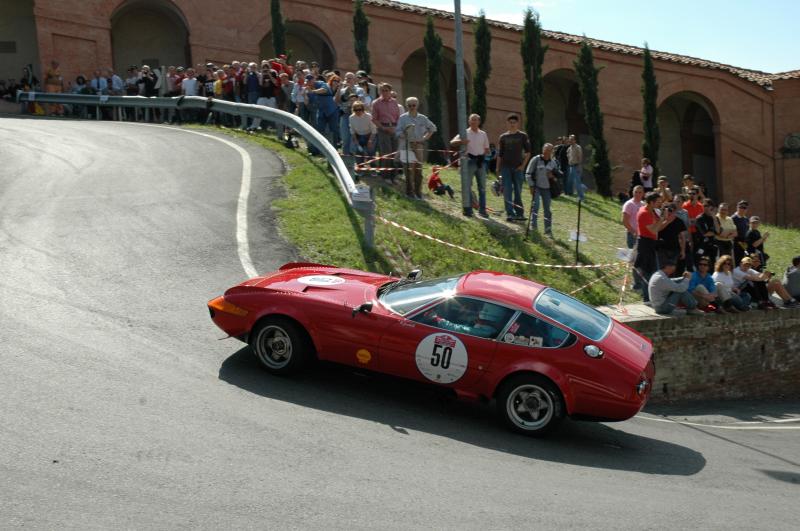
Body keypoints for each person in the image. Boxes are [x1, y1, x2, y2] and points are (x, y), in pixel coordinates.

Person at [634, 191, 674, 301]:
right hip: (645, 243)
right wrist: (662, 219)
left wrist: (667, 221)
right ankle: (647, 299)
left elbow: (658, 229)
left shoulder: (652, 212)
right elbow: (654, 229)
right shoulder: (644, 213)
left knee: (653, 271)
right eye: (658, 202)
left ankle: (651, 298)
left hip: (651, 243)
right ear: (651, 202)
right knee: (647, 272)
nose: (660, 204)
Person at [397, 97, 437, 200]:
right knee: (409, 171)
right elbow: (398, 132)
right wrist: (405, 136)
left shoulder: (423, 118)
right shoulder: (402, 118)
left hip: (419, 145)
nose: (411, 107)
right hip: (407, 146)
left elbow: (432, 128)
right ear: (406, 106)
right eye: (409, 105)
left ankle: (418, 193)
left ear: (417, 105)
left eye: (413, 105)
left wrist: (424, 139)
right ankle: (410, 193)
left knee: (418, 171)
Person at [451, 113, 490, 216]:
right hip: (469, 161)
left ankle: (482, 210)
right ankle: (468, 209)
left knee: (482, 188)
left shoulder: (483, 134)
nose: (474, 121)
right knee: (467, 186)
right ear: (469, 121)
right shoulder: (465, 133)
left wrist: (486, 154)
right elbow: (452, 142)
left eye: (476, 120)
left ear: (479, 122)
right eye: (472, 120)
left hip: (481, 162)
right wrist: (462, 141)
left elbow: (487, 149)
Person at [496, 113, 531, 222]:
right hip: (505, 167)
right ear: (507, 123)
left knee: (518, 191)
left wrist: (522, 166)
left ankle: (519, 213)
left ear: (517, 123)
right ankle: (510, 214)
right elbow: (500, 154)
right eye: (510, 122)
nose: (512, 124)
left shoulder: (522, 136)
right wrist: (497, 168)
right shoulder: (503, 137)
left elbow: (528, 152)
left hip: (518, 168)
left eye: (514, 122)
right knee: (507, 190)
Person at [525, 143, 561, 237]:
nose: (547, 153)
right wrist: (531, 186)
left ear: (551, 152)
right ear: (542, 150)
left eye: (549, 151)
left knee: (547, 210)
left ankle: (548, 230)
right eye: (545, 151)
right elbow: (528, 174)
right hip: (536, 186)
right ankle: (533, 226)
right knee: (535, 206)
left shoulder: (553, 163)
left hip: (547, 189)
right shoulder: (535, 159)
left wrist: (552, 176)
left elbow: (557, 177)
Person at [371, 83, 401, 182]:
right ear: (379, 91)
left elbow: (398, 117)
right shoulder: (376, 103)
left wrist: (395, 128)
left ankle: (394, 176)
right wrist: (384, 128)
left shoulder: (394, 102)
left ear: (390, 91)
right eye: (382, 90)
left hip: (394, 128)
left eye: (386, 90)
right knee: (386, 152)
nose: (384, 92)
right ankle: (386, 176)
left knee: (395, 153)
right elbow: (374, 119)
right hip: (383, 129)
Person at [658, 202, 688, 275]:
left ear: (675, 211)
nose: (669, 212)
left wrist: (683, 250)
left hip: (674, 249)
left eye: (671, 210)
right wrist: (667, 220)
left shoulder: (679, 221)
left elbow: (683, 237)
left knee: (672, 269)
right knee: (662, 270)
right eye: (667, 210)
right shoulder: (660, 220)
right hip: (662, 248)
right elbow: (657, 229)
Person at [349, 101, 377, 177]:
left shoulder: (369, 116)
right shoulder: (351, 117)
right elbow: (352, 131)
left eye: (360, 109)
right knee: (358, 152)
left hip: (370, 135)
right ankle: (360, 169)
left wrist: (370, 140)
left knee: (371, 152)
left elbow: (374, 130)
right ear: (353, 110)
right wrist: (357, 142)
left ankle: (373, 169)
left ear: (363, 109)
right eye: (356, 110)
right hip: (358, 136)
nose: (358, 111)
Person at [731, 200, 750, 265]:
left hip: (744, 244)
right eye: (740, 207)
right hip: (735, 244)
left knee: (744, 262)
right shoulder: (733, 218)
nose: (742, 209)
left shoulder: (746, 219)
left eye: (744, 208)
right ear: (737, 207)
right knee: (737, 262)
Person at [566, 134, 584, 199]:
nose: (570, 141)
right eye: (569, 139)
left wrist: (579, 167)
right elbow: (568, 157)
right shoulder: (569, 148)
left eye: (572, 139)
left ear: (575, 140)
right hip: (570, 166)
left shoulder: (578, 147)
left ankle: (581, 197)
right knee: (570, 181)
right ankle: (570, 193)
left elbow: (580, 157)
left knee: (577, 182)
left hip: (576, 166)